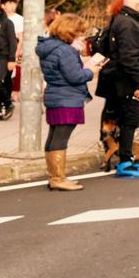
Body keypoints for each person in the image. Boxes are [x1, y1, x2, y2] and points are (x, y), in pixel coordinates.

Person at [38, 13, 103, 191]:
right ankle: (58, 178)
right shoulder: (65, 50)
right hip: (67, 98)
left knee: (53, 136)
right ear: (70, 32)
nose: (82, 36)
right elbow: (75, 76)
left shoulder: (50, 47)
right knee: (61, 138)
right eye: (80, 33)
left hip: (55, 95)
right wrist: (92, 71)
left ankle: (54, 176)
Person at [99, 0, 139, 178]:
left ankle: (126, 158)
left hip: (122, 79)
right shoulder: (128, 24)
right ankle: (125, 161)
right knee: (130, 119)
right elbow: (129, 57)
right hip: (127, 81)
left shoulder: (122, 20)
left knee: (128, 120)